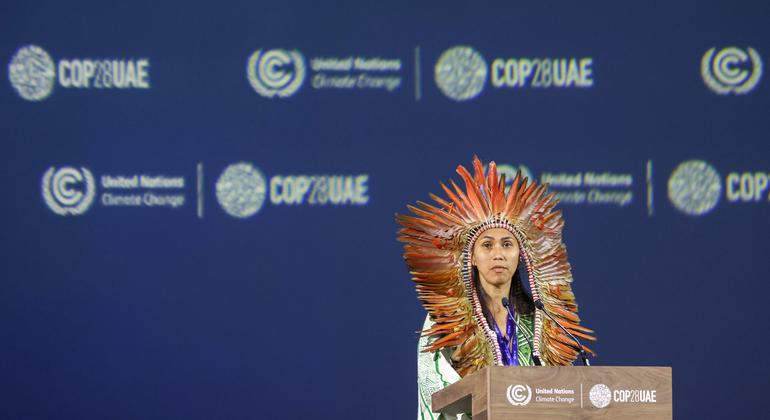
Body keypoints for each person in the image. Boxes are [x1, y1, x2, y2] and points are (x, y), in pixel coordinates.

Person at [396, 157, 595, 420]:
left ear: (520, 255)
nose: (498, 254)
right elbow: (434, 393)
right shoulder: (444, 321)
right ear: (473, 258)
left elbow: (558, 394)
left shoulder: (539, 321)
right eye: (487, 245)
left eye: (507, 245)